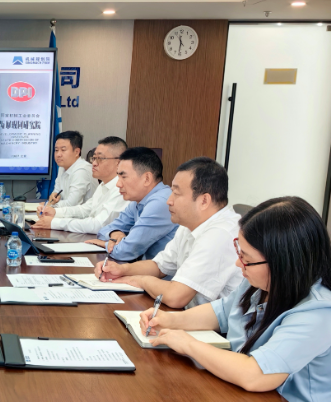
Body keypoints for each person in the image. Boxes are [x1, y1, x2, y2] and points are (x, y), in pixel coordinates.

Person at [141, 197, 331, 400]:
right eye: (240, 253)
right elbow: (223, 311)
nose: (239, 264)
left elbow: (255, 375)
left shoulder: (318, 313)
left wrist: (188, 344)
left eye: (246, 259)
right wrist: (169, 319)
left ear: (283, 264)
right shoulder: (260, 281)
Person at [95, 157, 243, 308]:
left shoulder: (220, 234)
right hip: (189, 315)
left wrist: (140, 280)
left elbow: (175, 296)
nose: (169, 201)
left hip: (211, 323)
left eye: (176, 193)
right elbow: (160, 266)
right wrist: (122, 270)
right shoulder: (190, 223)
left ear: (204, 201)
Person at [86, 147, 177, 261]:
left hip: (162, 272)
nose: (118, 184)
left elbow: (126, 252)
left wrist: (105, 244)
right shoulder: (138, 200)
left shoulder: (161, 202)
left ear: (147, 178)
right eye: (118, 177)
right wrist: (115, 233)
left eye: (123, 177)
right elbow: (104, 230)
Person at [33, 136, 128, 233]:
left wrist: (54, 223)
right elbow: (85, 209)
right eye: (94, 158)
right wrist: (55, 212)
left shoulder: (122, 189)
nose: (94, 163)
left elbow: (98, 225)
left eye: (100, 158)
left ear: (118, 162)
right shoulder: (103, 184)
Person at [47, 131, 97, 208]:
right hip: (66, 213)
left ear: (77, 152)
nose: (58, 154)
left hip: (84, 215)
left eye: (63, 150)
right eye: (56, 150)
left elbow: (72, 204)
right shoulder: (62, 167)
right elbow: (56, 192)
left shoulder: (82, 170)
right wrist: (53, 197)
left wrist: (48, 206)